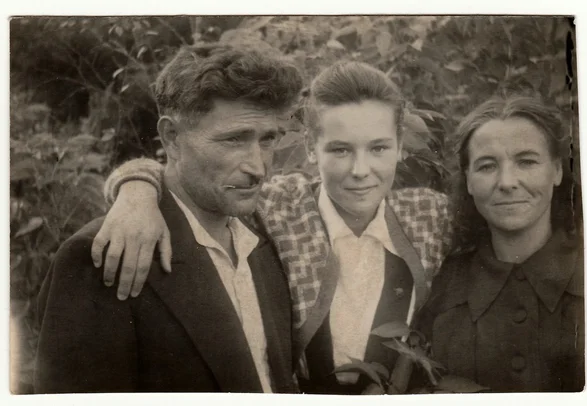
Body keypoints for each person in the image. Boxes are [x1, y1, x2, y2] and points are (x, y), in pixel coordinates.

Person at [91, 61, 454, 394]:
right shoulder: (282, 206)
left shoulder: (427, 216)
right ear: (311, 148)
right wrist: (135, 188)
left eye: (378, 148)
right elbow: (192, 183)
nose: (361, 171)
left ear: (401, 146)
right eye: (340, 150)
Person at [34, 44, 304, 393]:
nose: (258, 167)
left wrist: (135, 182)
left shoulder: (272, 236)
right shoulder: (105, 255)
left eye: (267, 140)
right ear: (171, 138)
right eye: (234, 140)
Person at [419, 96, 584, 392]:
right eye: (486, 166)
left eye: (527, 161)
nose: (507, 182)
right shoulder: (442, 284)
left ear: (557, 171)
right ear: (468, 181)